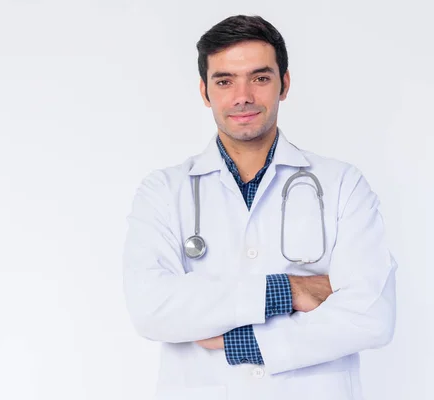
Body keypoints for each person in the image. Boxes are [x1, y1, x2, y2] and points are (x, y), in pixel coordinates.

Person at [122, 15, 396, 400]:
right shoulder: (164, 191)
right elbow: (152, 308)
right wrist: (286, 290)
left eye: (260, 77)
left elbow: (372, 316)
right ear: (205, 92)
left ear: (284, 84)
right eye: (225, 81)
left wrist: (240, 340)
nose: (243, 96)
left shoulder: (342, 185)